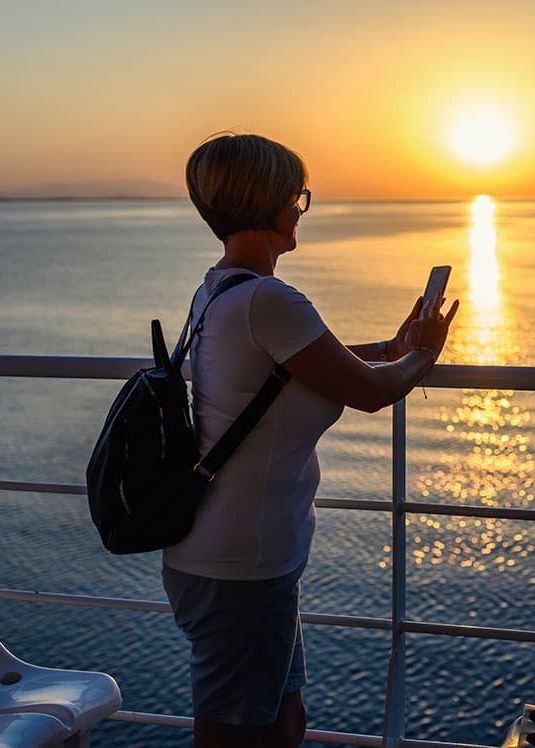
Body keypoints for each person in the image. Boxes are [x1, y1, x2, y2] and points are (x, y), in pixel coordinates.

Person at [162, 132, 458, 748]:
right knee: (237, 734)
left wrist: (391, 348)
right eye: (299, 195)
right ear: (270, 201)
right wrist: (425, 354)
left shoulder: (218, 289)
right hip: (240, 563)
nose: (301, 207)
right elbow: (373, 392)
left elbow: (303, 365)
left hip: (239, 556)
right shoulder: (269, 299)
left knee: (284, 723)